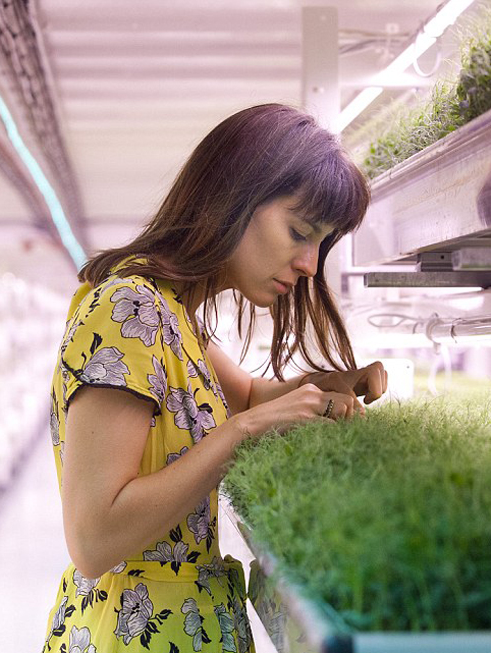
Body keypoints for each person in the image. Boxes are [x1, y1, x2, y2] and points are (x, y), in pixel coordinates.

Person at [41, 104, 388, 653]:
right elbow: (93, 536)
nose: (310, 265)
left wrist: (328, 386)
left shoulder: (176, 316)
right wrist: (242, 432)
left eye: (321, 243)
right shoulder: (129, 309)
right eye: (300, 232)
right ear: (234, 197)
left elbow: (246, 395)